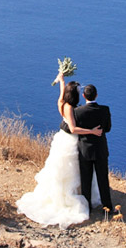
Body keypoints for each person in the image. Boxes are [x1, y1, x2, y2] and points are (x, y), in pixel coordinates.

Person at [15, 71, 102, 228]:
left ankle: (73, 192)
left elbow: (62, 93)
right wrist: (92, 131)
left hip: (61, 139)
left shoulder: (62, 104)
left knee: (62, 171)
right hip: (70, 141)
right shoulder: (71, 109)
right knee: (72, 170)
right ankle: (71, 196)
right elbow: (74, 129)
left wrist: (61, 79)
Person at [74, 84, 113, 212]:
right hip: (100, 149)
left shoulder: (78, 111)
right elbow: (107, 129)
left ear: (84, 96)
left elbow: (74, 129)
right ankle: (107, 207)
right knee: (103, 179)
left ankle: (87, 208)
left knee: (86, 180)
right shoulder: (105, 110)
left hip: (85, 150)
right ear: (96, 95)